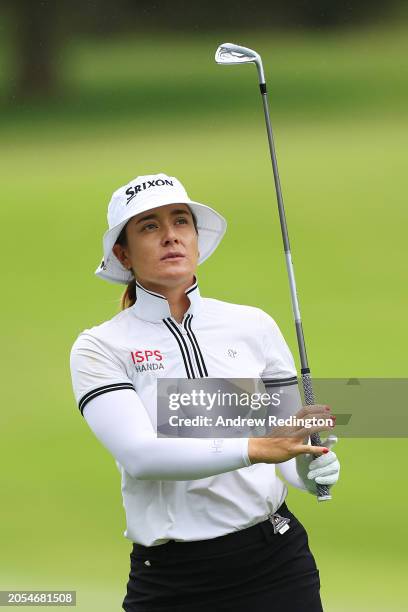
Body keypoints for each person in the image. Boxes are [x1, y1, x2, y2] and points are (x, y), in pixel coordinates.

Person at [69, 173, 340, 612]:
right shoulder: (101, 346)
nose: (170, 236)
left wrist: (311, 469)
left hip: (277, 562)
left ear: (196, 239)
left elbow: (286, 445)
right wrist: (258, 447)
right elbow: (142, 456)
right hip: (175, 580)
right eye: (150, 226)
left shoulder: (253, 325)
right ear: (123, 253)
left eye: (181, 222)